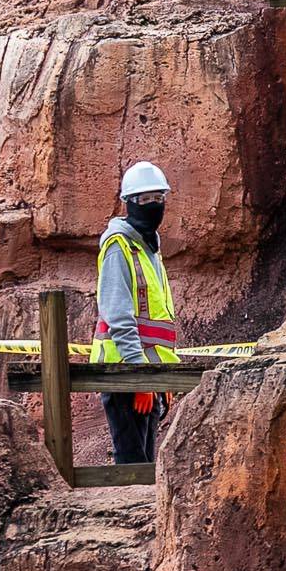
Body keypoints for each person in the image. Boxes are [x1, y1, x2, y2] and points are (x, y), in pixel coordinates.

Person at [95, 160, 179, 463]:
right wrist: (140, 378)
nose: (154, 206)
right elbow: (119, 318)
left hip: (147, 375)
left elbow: (157, 327)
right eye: (146, 200)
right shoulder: (119, 247)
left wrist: (160, 381)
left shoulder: (149, 250)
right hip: (125, 374)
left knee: (145, 467)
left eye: (159, 199)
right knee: (131, 466)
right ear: (129, 203)